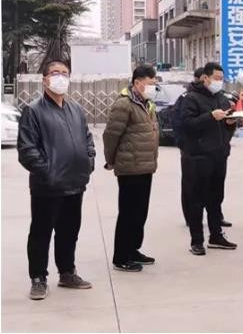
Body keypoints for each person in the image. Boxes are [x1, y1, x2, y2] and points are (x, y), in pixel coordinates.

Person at [18, 60, 95, 300]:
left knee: (69, 231)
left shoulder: (76, 110)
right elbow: (27, 150)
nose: (60, 77)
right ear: (45, 79)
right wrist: (48, 173)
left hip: (75, 183)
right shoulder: (33, 111)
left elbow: (88, 140)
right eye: (55, 73)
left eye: (64, 73)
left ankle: (67, 272)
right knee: (41, 233)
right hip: (48, 186)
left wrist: (88, 163)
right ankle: (38, 278)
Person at [103, 64, 159, 272]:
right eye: (150, 83)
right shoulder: (124, 104)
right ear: (137, 83)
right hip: (129, 167)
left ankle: (133, 249)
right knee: (128, 213)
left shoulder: (147, 103)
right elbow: (111, 135)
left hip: (146, 166)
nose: (153, 87)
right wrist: (111, 160)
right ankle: (121, 256)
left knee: (140, 213)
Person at [181, 62, 238, 255]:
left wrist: (230, 123)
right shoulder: (191, 98)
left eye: (222, 79)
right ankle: (197, 241)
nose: (219, 82)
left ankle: (216, 236)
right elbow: (187, 125)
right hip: (198, 157)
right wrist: (210, 117)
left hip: (219, 156)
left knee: (216, 199)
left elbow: (225, 127)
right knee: (196, 200)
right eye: (216, 78)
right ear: (205, 78)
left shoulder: (221, 98)